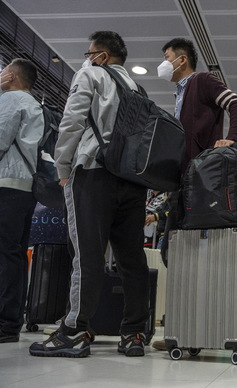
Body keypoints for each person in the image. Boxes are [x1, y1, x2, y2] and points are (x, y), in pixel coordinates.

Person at [29, 31, 150, 358]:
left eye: (90, 52)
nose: (87, 57)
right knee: (132, 259)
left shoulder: (91, 74)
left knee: (87, 254)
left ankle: (75, 330)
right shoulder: (139, 89)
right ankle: (135, 332)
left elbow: (72, 121)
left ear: (103, 56)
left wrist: (63, 168)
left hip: (95, 173)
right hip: (133, 181)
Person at [0, 59, 44, 344]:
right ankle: (10, 321)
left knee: (6, 256)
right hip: (26, 187)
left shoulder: (11, 99)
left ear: (12, 76)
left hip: (6, 183)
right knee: (13, 256)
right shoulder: (35, 105)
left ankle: (5, 323)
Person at [158, 38, 237, 168]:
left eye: (167, 58)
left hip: (202, 166)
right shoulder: (180, 93)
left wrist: (232, 139)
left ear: (182, 60)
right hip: (187, 168)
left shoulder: (202, 80)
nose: (164, 63)